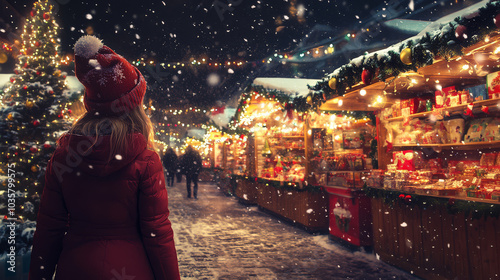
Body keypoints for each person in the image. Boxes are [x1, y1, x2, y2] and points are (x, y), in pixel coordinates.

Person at [29, 35, 180, 280]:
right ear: (134, 106)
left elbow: (48, 229)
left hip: (75, 268)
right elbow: (157, 233)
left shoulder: (64, 156)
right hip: (131, 269)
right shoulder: (146, 160)